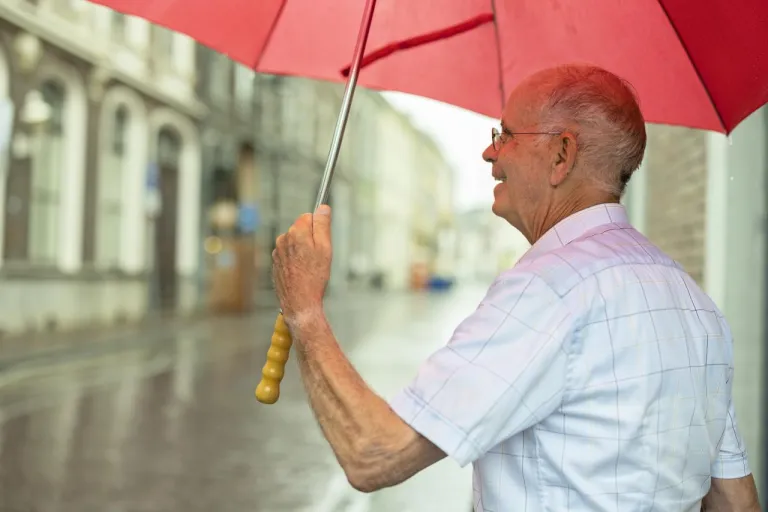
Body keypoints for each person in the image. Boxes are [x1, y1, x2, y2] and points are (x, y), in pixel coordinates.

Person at [270, 63, 760, 511]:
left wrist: (305, 309)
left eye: (504, 135)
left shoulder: (549, 288)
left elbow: (373, 452)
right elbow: (734, 498)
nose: (489, 152)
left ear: (561, 154)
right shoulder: (695, 305)